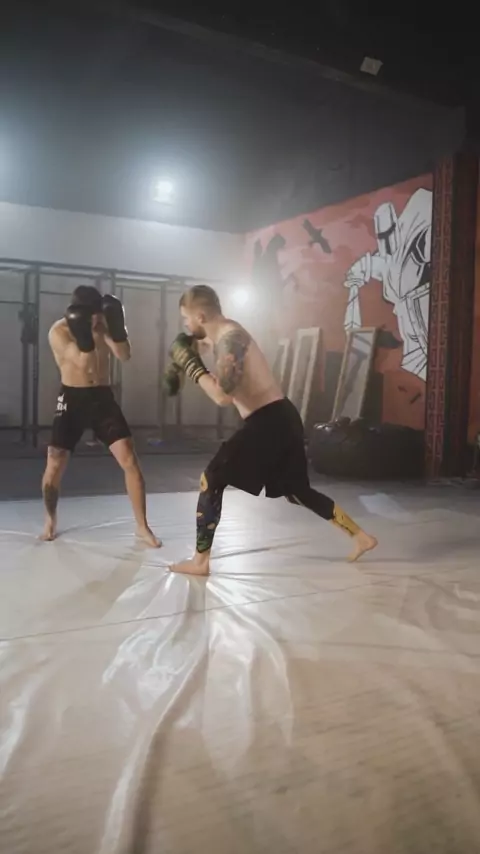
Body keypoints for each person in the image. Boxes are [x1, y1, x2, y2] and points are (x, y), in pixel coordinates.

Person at [164, 284, 377, 576]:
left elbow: (222, 397)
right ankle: (362, 537)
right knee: (297, 492)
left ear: (200, 316)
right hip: (282, 417)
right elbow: (207, 350)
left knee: (211, 478)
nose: (185, 325)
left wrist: (190, 366)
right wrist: (184, 358)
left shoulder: (230, 339)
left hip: (268, 421)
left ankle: (200, 562)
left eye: (186, 319)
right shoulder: (223, 335)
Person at [41, 284, 160, 547]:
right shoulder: (59, 332)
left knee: (129, 457)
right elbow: (82, 363)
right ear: (79, 313)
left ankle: (142, 526)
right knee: (55, 462)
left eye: (99, 315)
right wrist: (85, 335)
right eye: (92, 316)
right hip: (72, 398)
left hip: (101, 398)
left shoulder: (103, 325)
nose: (97, 320)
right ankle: (50, 519)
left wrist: (115, 329)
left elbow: (124, 355)